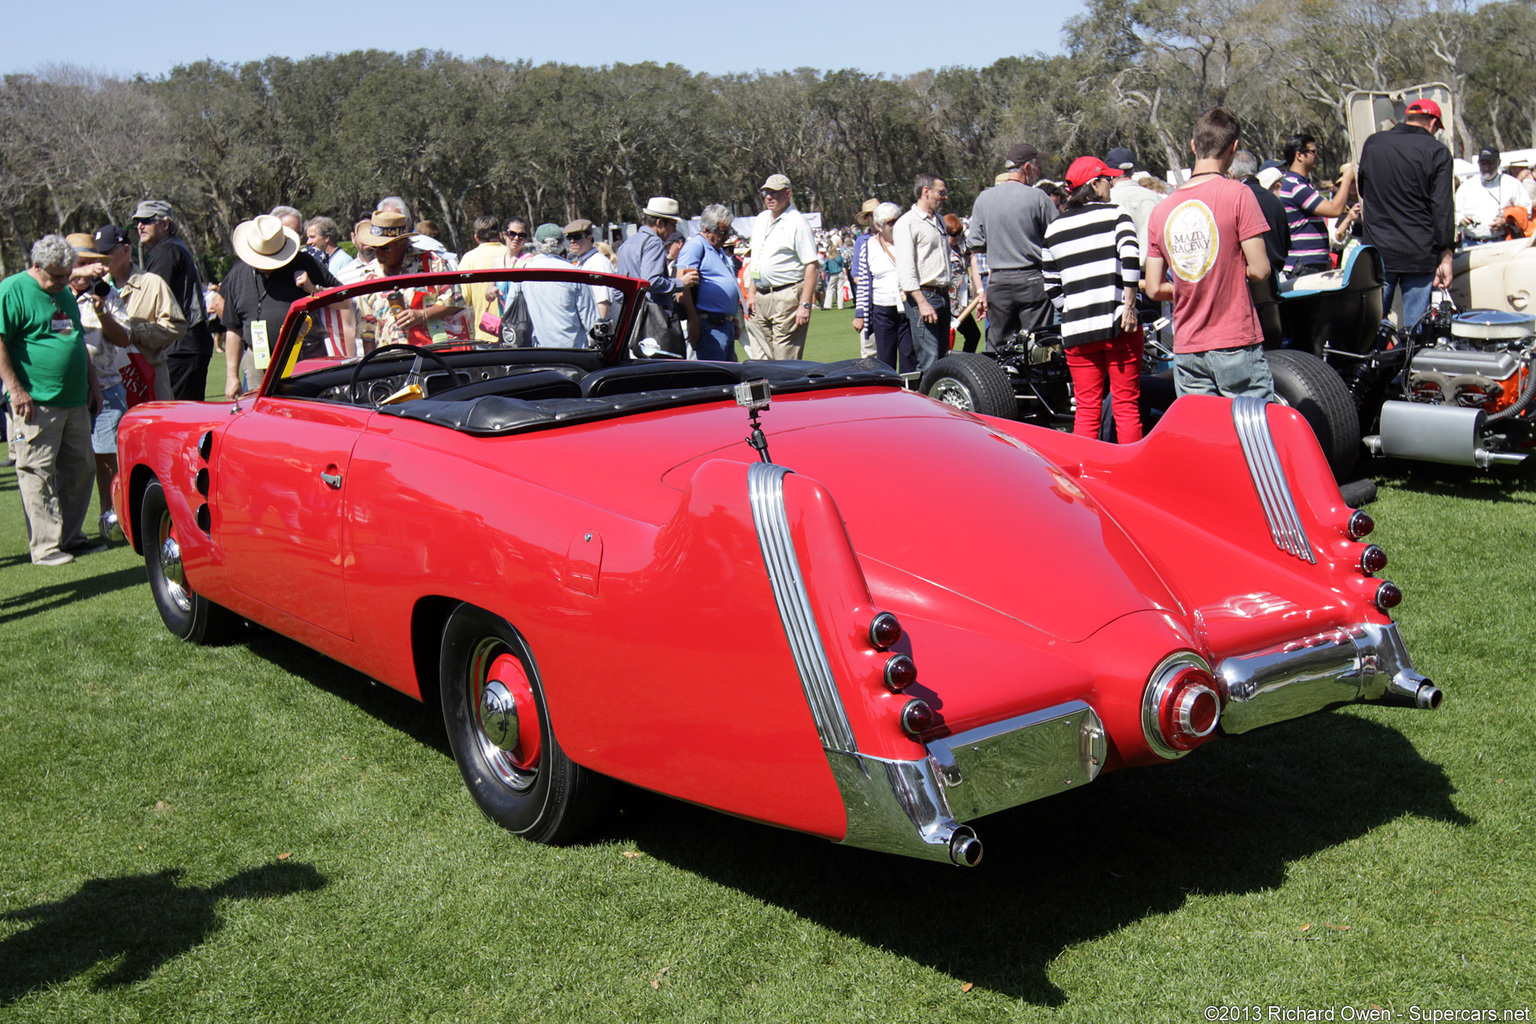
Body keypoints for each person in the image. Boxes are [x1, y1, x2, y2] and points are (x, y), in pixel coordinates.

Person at [1143, 107, 1275, 401]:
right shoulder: (1238, 194)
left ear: (1193, 146)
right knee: (1251, 435)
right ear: (1234, 147)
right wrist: (1224, 276)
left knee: (1207, 438)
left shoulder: (1161, 210)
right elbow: (1260, 269)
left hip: (1188, 347)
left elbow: (1153, 288)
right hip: (1234, 340)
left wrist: (1195, 285)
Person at [0, 235, 103, 565]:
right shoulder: (12, 290)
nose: (63, 282)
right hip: (36, 400)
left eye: (66, 274)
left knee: (80, 468)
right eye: (56, 276)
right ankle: (45, 547)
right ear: (36, 266)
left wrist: (93, 383)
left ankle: (72, 537)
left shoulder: (64, 293)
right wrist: (15, 389)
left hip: (73, 397)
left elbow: (75, 339)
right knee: (37, 471)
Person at [1042, 156, 1143, 442]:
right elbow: (1131, 260)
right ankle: (1130, 477)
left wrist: (1071, 310)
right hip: (1119, 323)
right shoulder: (1116, 214)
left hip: (1077, 330)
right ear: (1094, 184)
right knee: (1125, 406)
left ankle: (1084, 477)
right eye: (1107, 180)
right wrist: (1130, 306)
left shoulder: (1054, 228)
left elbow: (1050, 284)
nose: (1110, 185)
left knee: (1087, 410)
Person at [1355, 98, 1455, 329]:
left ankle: (1371, 364)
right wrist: (1446, 255)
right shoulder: (1437, 151)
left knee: (1371, 324)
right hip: (1419, 251)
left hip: (1378, 250)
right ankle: (1412, 363)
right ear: (1432, 123)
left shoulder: (1373, 143)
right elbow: (1442, 208)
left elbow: (1363, 189)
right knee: (1415, 329)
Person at [220, 214, 342, 399]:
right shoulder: (238, 273)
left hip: (303, 359)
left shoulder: (305, 263)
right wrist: (231, 377)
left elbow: (344, 300)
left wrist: (313, 289)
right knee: (261, 421)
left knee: (308, 418)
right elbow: (233, 328)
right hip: (257, 363)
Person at [966, 143, 1058, 350]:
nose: (1039, 171)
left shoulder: (984, 198)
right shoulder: (1038, 198)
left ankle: (998, 382)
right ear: (1026, 168)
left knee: (998, 345)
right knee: (1037, 345)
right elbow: (1058, 238)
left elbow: (975, 244)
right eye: (1037, 166)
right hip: (1032, 279)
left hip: (998, 280)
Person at [91, 225, 186, 403]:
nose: (100, 258)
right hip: (110, 380)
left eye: (106, 252)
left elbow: (177, 325)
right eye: (97, 253)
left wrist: (136, 334)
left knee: (157, 428)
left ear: (125, 249)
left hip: (148, 372)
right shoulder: (95, 288)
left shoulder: (152, 283)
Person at [352, 210, 470, 349]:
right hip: (388, 361)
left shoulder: (432, 263)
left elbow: (456, 299)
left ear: (402, 243)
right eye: (374, 248)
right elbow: (368, 329)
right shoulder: (368, 274)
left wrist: (422, 315)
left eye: (384, 248)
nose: (377, 253)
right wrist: (369, 367)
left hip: (430, 357)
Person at [133, 199, 214, 401]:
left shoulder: (166, 251)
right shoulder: (170, 248)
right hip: (188, 344)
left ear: (165, 224)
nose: (140, 226)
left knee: (176, 416)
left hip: (181, 346)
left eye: (147, 220)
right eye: (138, 221)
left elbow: (150, 300)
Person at [744, 175, 818, 360]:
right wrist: (752, 293)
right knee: (769, 359)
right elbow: (757, 259)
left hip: (787, 295)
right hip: (761, 296)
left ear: (788, 194)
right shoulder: (761, 219)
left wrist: (805, 304)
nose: (769, 197)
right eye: (766, 193)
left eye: (774, 193)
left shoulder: (797, 223)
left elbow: (812, 265)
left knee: (786, 360)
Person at [494, 224, 598, 348]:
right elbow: (591, 321)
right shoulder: (575, 274)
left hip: (535, 353)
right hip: (573, 354)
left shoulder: (522, 273)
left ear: (536, 243)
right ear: (562, 244)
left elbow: (510, 313)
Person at [894, 173, 954, 372]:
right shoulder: (907, 223)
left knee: (943, 357)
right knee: (929, 359)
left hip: (942, 294)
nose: (944, 197)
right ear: (925, 191)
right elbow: (905, 269)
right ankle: (927, 402)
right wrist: (921, 303)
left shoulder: (939, 221)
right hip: (924, 295)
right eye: (941, 192)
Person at [1276, 134, 1355, 276]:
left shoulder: (1302, 184)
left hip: (1309, 263)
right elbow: (1335, 209)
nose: (1317, 156)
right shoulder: (1296, 186)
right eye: (1313, 152)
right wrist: (1347, 178)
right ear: (1299, 155)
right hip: (1304, 264)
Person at [851, 202, 915, 372]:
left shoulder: (908, 241)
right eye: (890, 222)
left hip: (907, 306)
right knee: (885, 358)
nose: (895, 225)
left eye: (897, 220)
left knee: (909, 357)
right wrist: (860, 314)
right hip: (882, 308)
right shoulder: (867, 245)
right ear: (879, 226)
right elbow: (864, 282)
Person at [616, 197, 699, 325]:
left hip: (630, 317)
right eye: (673, 225)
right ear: (660, 222)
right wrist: (681, 282)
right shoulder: (654, 242)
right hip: (652, 319)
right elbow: (652, 281)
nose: (675, 231)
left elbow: (619, 290)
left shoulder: (626, 244)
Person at [675, 205, 742, 361]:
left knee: (730, 376)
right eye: (723, 232)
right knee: (717, 377)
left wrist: (733, 318)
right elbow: (682, 288)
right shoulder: (695, 247)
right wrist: (694, 320)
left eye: (728, 232)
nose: (727, 237)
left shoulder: (717, 249)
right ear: (706, 229)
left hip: (724, 325)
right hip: (709, 326)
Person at [1232, 150, 1291, 279]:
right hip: (1277, 275)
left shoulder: (1238, 200)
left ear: (1232, 175)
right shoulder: (1275, 199)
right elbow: (1287, 243)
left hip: (1255, 281)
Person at [458, 215, 513, 343]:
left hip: (484, 330)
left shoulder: (468, 259)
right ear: (500, 235)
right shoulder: (511, 254)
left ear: (476, 238)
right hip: (512, 330)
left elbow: (466, 298)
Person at [1104, 146, 1165, 255]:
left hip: (1122, 267)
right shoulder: (1155, 198)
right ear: (1134, 169)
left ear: (1109, 172)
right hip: (1153, 267)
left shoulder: (1106, 201)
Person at [1456, 149, 1528, 242]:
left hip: (1502, 241)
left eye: (1490, 163)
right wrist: (1461, 220)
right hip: (1471, 243)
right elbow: (1455, 213)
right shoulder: (1466, 186)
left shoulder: (1512, 184)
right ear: (1478, 163)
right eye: (1483, 163)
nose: (1486, 167)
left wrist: (1506, 221)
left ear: (1498, 163)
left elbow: (1526, 210)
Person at [564, 218, 619, 321]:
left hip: (595, 329)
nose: (572, 241)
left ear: (589, 238)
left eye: (577, 237)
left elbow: (603, 302)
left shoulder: (599, 263)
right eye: (569, 237)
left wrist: (598, 334)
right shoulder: (581, 262)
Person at [944, 214, 984, 352]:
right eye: (953, 234)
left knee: (974, 335)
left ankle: (963, 364)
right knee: (946, 342)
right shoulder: (941, 251)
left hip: (959, 306)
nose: (956, 238)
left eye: (958, 234)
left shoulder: (959, 250)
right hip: (946, 306)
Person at [848, 198, 881, 358]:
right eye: (870, 215)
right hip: (870, 303)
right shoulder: (862, 241)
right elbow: (856, 276)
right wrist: (860, 312)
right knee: (870, 352)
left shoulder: (894, 237)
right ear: (866, 219)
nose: (874, 219)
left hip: (893, 303)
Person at [821, 244, 847, 310]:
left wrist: (828, 272)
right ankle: (841, 306)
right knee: (840, 289)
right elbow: (843, 266)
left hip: (833, 274)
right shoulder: (839, 257)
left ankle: (827, 305)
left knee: (830, 289)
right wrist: (845, 275)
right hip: (840, 273)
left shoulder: (828, 258)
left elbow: (825, 268)